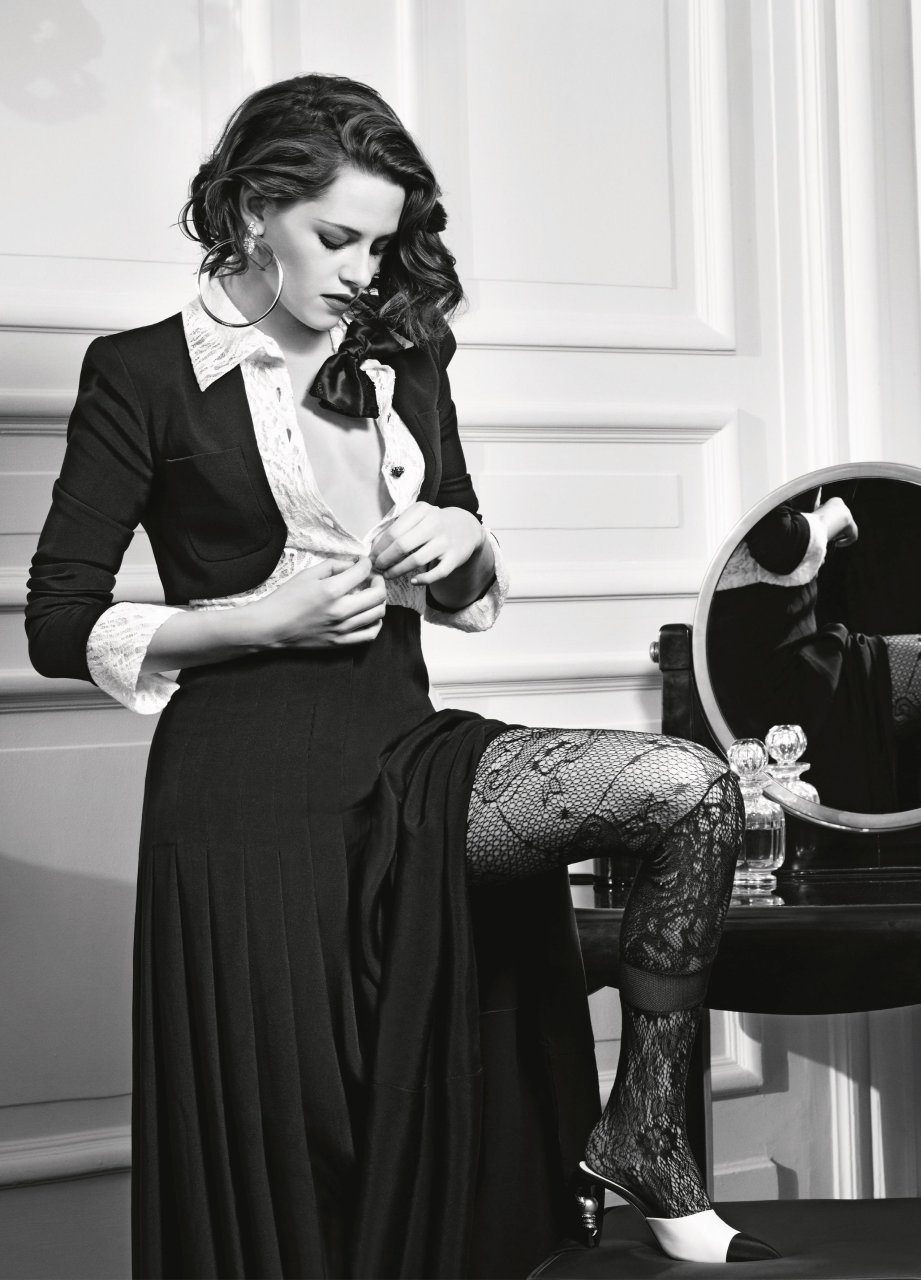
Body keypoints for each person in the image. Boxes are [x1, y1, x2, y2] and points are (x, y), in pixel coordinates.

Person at [24, 74, 774, 1276]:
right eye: (337, 237)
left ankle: (643, 1132)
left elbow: (463, 567)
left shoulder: (404, 355)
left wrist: (463, 539)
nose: (363, 269)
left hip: (402, 756)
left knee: (686, 787)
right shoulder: (143, 373)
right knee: (303, 1153)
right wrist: (255, 620)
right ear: (253, 209)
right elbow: (59, 622)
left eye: (381, 242)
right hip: (242, 801)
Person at [707, 495, 921, 811]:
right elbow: (779, 545)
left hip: (782, 657)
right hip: (780, 673)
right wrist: (836, 513)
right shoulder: (760, 467)